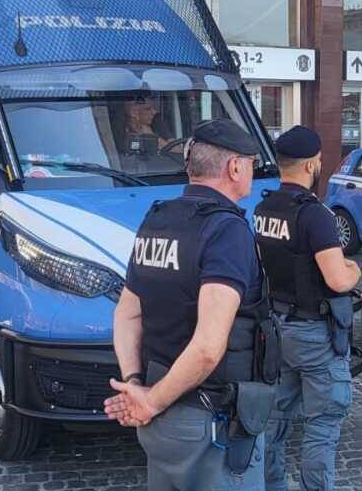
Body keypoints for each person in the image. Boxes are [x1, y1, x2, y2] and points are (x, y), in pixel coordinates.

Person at [104, 119, 279, 491]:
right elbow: (207, 348)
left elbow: (127, 313)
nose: (253, 171)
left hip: (161, 419)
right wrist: (150, 401)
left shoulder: (157, 219)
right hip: (209, 419)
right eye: (251, 163)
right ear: (235, 167)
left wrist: (136, 383)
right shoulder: (226, 229)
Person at [256, 126, 362, 491]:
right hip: (314, 332)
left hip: (277, 326)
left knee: (274, 419)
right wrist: (354, 269)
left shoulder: (264, 207)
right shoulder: (315, 215)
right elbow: (338, 279)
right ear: (310, 165)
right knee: (323, 423)